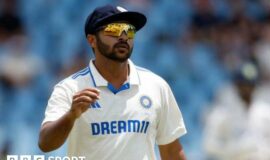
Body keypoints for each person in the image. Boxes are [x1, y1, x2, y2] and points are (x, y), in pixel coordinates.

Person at [38, 4, 187, 160]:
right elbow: (45, 144)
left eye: (129, 30)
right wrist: (71, 115)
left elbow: (171, 151)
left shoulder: (156, 86)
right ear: (92, 40)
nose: (123, 36)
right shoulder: (69, 88)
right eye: (114, 29)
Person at [203, 62, 270, 160]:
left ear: (256, 86)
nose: (247, 89)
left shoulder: (268, 113)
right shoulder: (223, 113)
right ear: (236, 86)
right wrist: (233, 150)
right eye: (243, 85)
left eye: (250, 85)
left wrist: (265, 152)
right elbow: (209, 144)